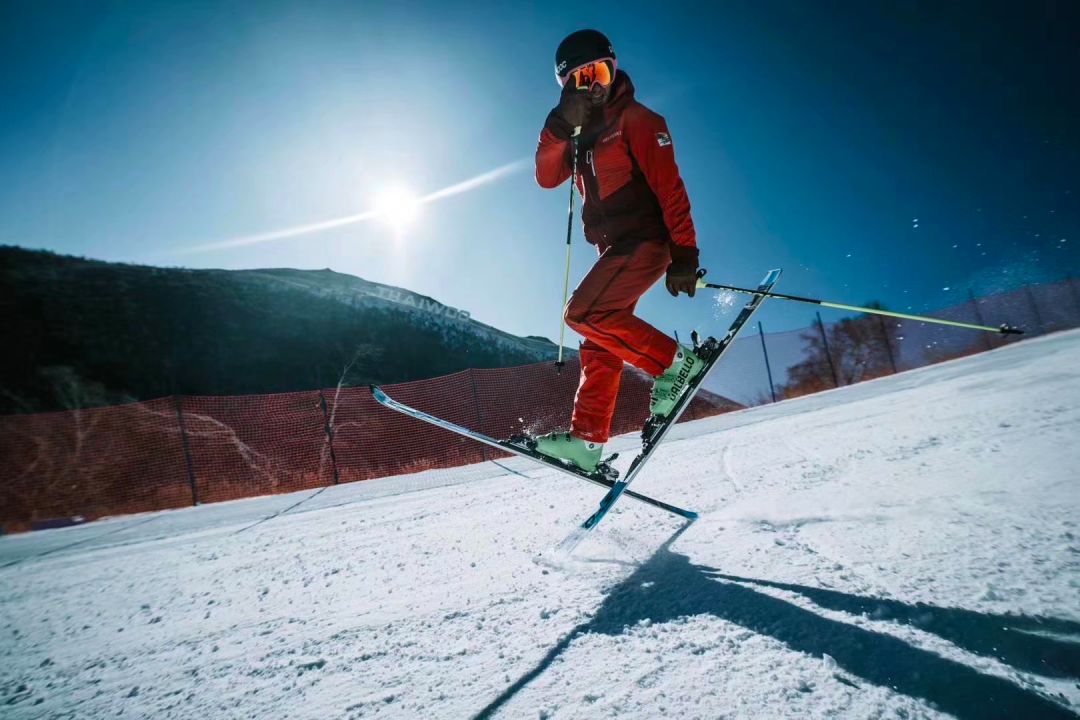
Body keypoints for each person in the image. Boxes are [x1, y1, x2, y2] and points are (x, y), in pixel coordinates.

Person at [531, 29, 703, 473]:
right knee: (600, 342)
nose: (593, 85)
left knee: (582, 313)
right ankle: (587, 443)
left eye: (600, 72)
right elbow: (547, 177)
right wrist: (557, 126)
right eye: (580, 77)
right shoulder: (575, 135)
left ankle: (676, 366)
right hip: (614, 251)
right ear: (566, 85)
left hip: (646, 241)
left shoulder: (637, 119)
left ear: (614, 69)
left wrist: (684, 255)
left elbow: (671, 190)